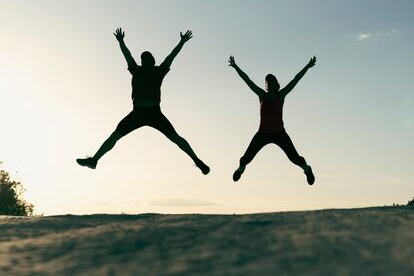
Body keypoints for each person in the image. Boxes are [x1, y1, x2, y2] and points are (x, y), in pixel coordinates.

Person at [76, 28, 210, 175]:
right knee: (115, 136)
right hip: (137, 113)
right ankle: (94, 160)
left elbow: (172, 56)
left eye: (148, 57)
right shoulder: (136, 70)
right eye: (143, 58)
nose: (145, 59)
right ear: (142, 61)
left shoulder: (159, 71)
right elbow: (127, 56)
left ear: (153, 60)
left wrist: (182, 42)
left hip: (154, 113)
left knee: (176, 138)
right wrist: (121, 42)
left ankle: (197, 160)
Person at [228, 55, 316, 185]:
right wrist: (236, 67)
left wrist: (307, 67)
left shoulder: (281, 95)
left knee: (295, 158)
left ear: (276, 83)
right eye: (267, 81)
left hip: (279, 134)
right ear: (267, 85)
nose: (269, 82)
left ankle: (307, 170)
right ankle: (240, 170)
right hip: (262, 134)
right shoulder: (261, 95)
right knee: (245, 159)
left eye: (272, 80)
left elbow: (295, 80)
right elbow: (247, 80)